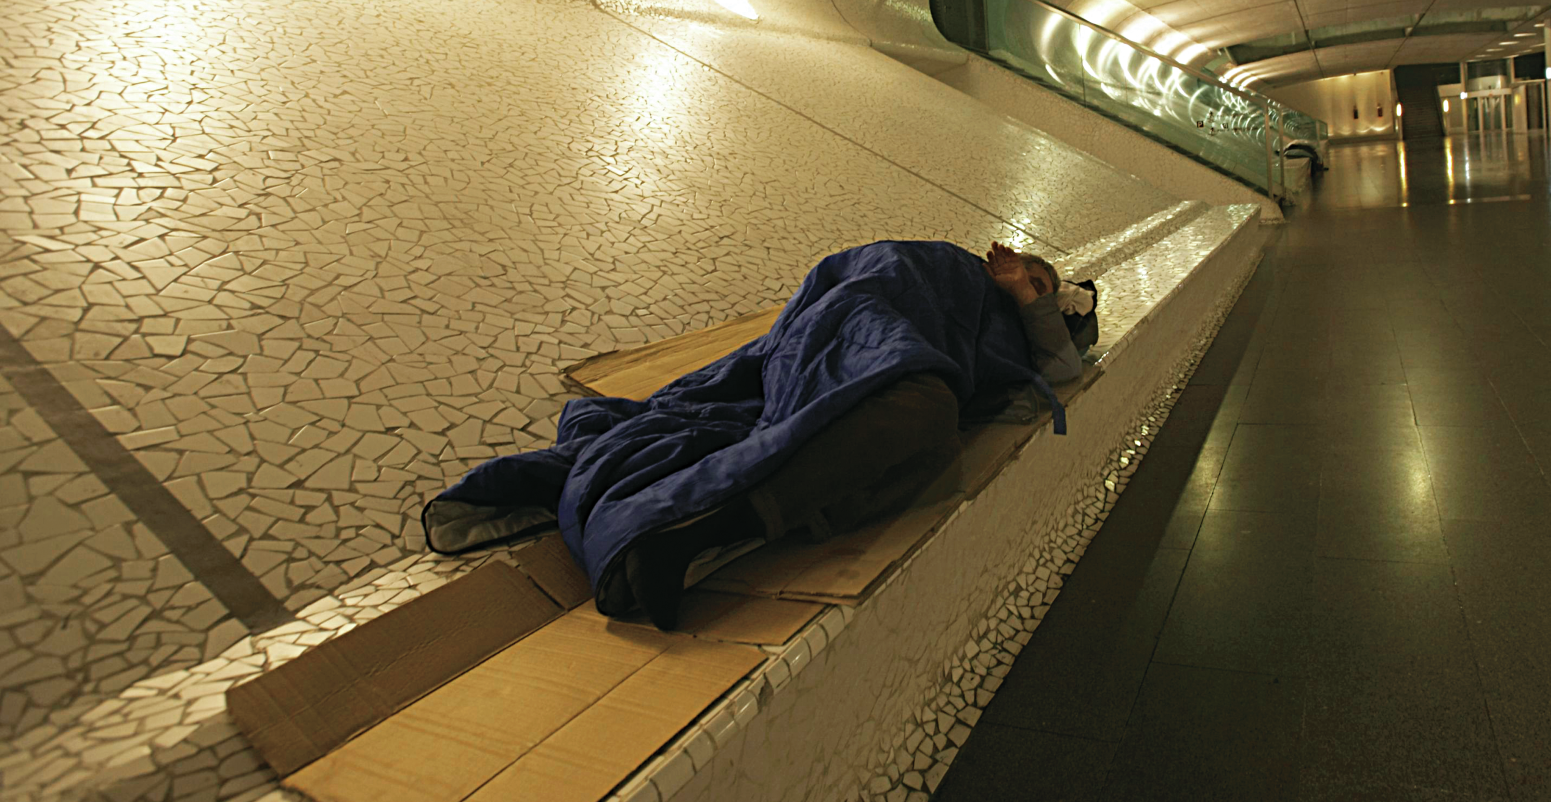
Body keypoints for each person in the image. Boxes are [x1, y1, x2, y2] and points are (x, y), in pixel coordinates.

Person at [424, 240, 1098, 629]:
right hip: (863, 321)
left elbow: (1063, 364)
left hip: (909, 355)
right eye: (1030, 277)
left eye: (1044, 290)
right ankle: (700, 522)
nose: (1032, 293)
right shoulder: (948, 267)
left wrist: (1035, 299)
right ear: (998, 257)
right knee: (922, 407)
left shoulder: (1020, 323)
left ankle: (690, 536)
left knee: (928, 443)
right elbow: (860, 281)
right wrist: (1011, 282)